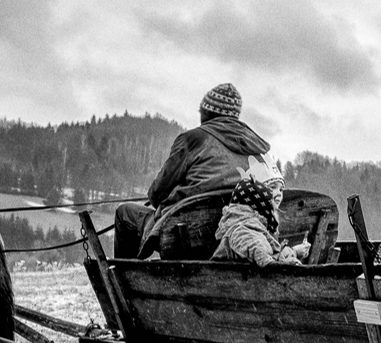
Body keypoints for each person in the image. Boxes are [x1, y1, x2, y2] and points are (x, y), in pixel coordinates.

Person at [114, 83, 279, 258]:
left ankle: (123, 275)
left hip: (188, 232)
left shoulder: (193, 139)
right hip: (243, 233)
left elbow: (156, 194)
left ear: (207, 113)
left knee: (125, 213)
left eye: (201, 111)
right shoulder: (258, 148)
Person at [211, 176, 307, 266]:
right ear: (260, 208)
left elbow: (272, 255)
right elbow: (264, 258)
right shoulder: (244, 228)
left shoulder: (250, 225)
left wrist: (294, 252)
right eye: (270, 208)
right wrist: (287, 264)